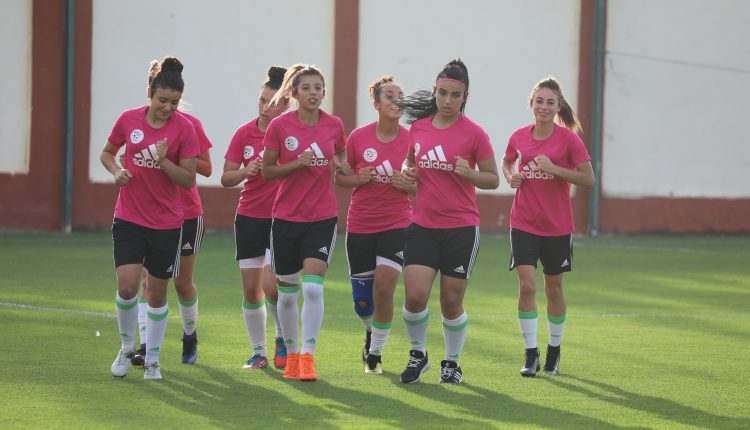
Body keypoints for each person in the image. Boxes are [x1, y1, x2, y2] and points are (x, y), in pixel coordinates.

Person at [397, 59, 499, 384]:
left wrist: (471, 174)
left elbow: (493, 179)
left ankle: (452, 363)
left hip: (460, 229)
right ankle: (418, 355)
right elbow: (409, 162)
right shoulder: (419, 128)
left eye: (455, 95)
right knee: (414, 297)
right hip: (423, 226)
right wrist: (405, 171)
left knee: (451, 301)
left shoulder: (475, 135)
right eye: (442, 93)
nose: (447, 100)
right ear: (435, 91)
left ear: (464, 96)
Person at [101, 56, 200, 380]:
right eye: (162, 100)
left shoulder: (185, 128)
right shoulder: (128, 120)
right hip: (129, 216)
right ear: (149, 93)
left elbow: (187, 179)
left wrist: (163, 161)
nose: (167, 107)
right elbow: (107, 152)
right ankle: (127, 347)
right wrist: (117, 170)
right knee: (128, 287)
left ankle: (153, 360)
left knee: (157, 293)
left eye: (173, 102)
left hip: (167, 222)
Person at [261, 64, 348, 382]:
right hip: (285, 218)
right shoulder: (280, 127)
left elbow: (340, 153)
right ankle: (293, 354)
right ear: (295, 93)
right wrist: (295, 164)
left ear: (324, 92)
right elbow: (267, 171)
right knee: (287, 294)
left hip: (322, 218)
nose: (314, 93)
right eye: (307, 88)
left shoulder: (334, 125)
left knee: (312, 289)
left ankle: (308, 357)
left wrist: (341, 164)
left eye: (319, 87)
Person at [502, 76, 594, 377]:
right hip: (524, 222)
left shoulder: (569, 140)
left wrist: (555, 169)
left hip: (557, 226)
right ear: (531, 103)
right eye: (539, 101)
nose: (543, 107)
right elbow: (508, 162)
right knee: (527, 285)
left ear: (558, 106)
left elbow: (588, 178)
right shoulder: (518, 135)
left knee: (553, 288)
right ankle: (531, 354)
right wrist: (511, 176)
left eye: (550, 102)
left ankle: (554, 350)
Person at [335, 76, 414, 374]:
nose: (396, 101)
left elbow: (423, 188)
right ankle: (369, 330)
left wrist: (407, 185)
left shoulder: (412, 139)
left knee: (384, 290)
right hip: (360, 225)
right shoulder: (358, 137)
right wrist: (357, 178)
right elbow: (340, 177)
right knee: (363, 303)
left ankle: (376, 356)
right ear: (377, 103)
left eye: (400, 95)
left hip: (397, 223)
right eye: (390, 96)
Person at [129, 97, 213, 368]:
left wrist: (176, 155)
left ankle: (190, 336)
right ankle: (144, 347)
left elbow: (207, 168)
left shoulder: (190, 125)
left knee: (181, 283)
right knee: (148, 283)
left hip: (187, 214)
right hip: (151, 215)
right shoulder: (138, 125)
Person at [221, 66, 290, 370]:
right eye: (262, 100)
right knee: (251, 289)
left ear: (286, 105)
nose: (264, 107)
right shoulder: (244, 133)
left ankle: (282, 338)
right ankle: (258, 352)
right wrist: (246, 171)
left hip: (281, 218)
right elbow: (226, 177)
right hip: (249, 217)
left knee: (272, 286)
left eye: (272, 102)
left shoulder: (291, 135)